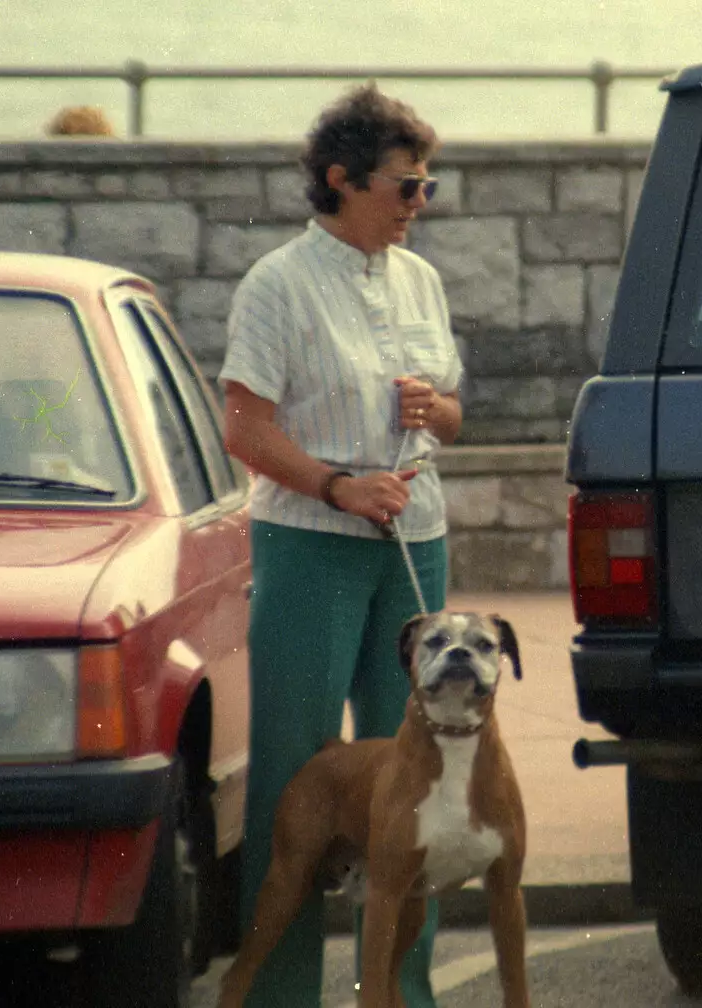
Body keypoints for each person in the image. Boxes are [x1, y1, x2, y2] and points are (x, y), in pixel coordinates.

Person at [218, 82, 462, 1008]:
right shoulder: (277, 284)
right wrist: (334, 483)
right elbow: (244, 427)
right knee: (295, 773)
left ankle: (401, 992)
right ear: (339, 180)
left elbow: (453, 413)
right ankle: (280, 996)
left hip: (414, 538)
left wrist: (433, 409)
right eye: (406, 187)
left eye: (426, 187)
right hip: (312, 542)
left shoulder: (421, 281)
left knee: (420, 765)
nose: (419, 205)